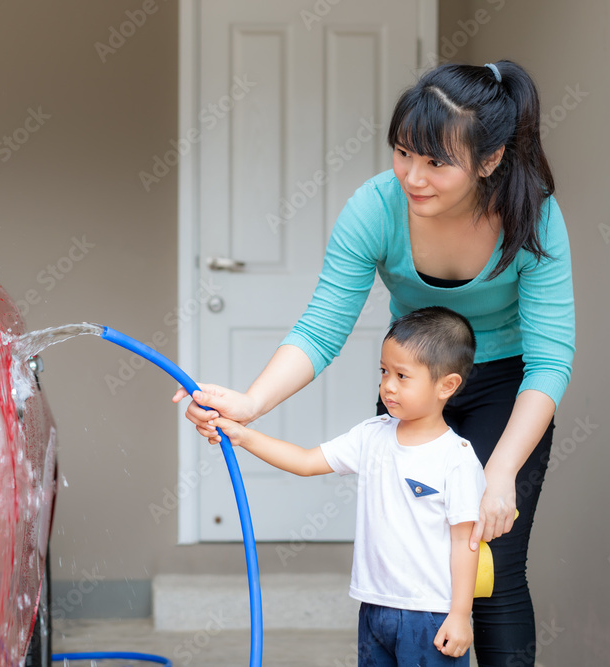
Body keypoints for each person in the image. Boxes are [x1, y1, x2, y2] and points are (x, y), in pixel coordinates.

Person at [174, 60, 575, 666]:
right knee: (407, 558)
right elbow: (321, 327)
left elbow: (549, 361)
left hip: (506, 388)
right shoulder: (376, 208)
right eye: (403, 152)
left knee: (490, 566)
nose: (413, 177)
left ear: (489, 161)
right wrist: (250, 403)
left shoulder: (533, 215)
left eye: (437, 163)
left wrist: (499, 473)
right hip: (416, 385)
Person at [211, 307, 486, 665]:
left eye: (403, 376)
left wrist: (460, 615)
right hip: (374, 607)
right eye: (384, 371)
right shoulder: (372, 435)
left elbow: (465, 543)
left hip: (430, 614)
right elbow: (307, 461)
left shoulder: (457, 458)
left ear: (446, 385)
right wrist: (243, 435)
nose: (388, 385)